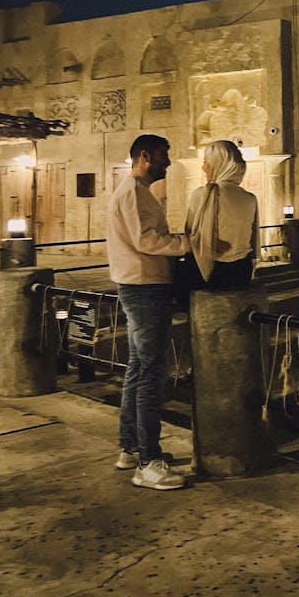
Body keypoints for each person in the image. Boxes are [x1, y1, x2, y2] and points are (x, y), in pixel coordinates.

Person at [106, 134, 190, 490]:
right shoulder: (133, 192)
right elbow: (147, 241)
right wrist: (192, 242)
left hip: (140, 285)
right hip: (144, 288)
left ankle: (131, 448)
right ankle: (148, 463)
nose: (167, 163)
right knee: (151, 373)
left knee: (138, 369)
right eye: (163, 155)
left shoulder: (136, 191)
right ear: (144, 156)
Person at [184, 139, 259, 291]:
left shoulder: (201, 195)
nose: (203, 168)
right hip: (241, 271)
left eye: (206, 162)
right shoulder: (250, 198)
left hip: (208, 271)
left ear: (219, 164)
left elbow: (189, 236)